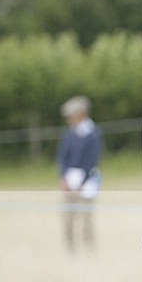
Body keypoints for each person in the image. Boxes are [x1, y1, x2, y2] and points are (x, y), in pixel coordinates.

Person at [56, 95, 102, 253]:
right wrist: (64, 177)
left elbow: (91, 161)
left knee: (86, 218)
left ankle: (89, 248)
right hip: (70, 179)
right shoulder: (69, 133)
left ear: (81, 114)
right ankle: (70, 249)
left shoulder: (93, 134)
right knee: (68, 217)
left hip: (87, 180)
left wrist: (81, 184)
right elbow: (63, 156)